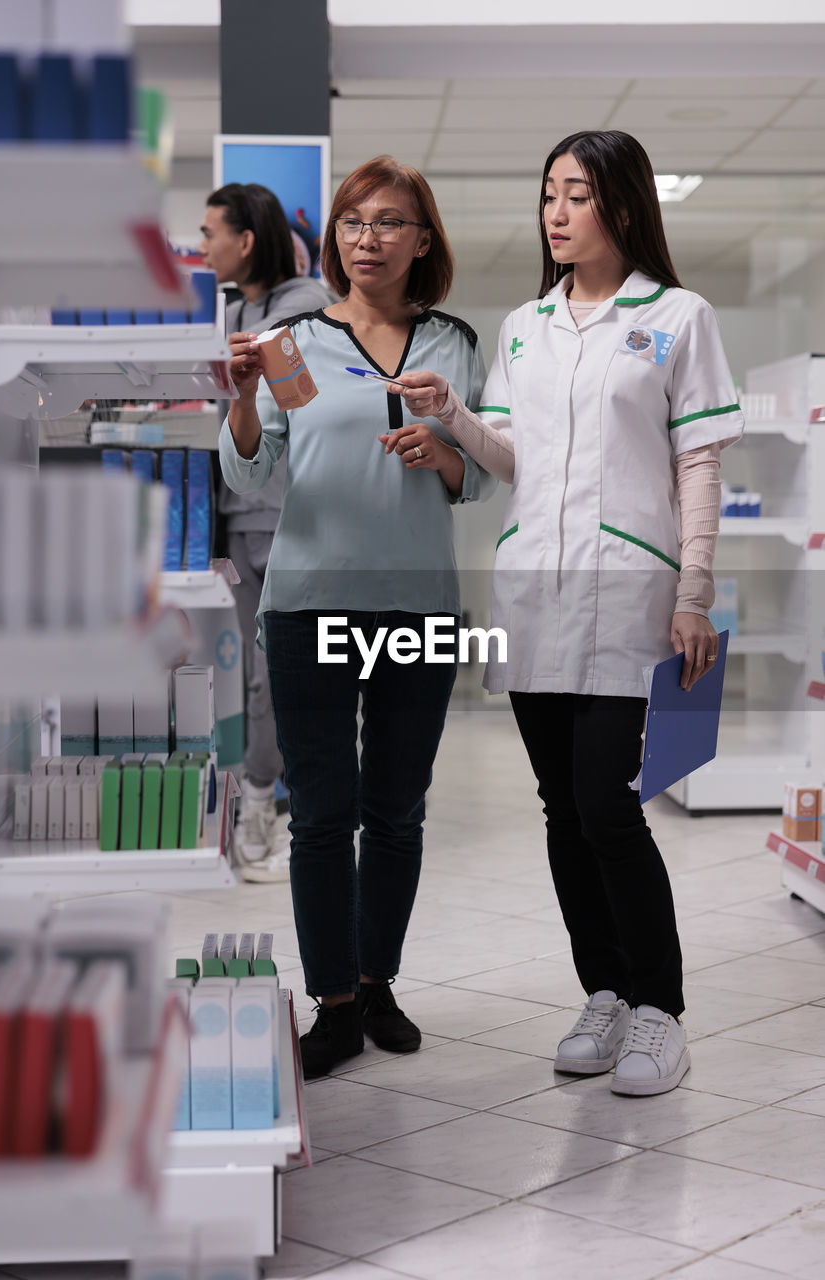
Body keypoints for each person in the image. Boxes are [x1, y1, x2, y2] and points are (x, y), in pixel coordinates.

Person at [391, 130, 744, 1097]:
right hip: (533, 592)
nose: (554, 211)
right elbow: (513, 457)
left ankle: (660, 1011)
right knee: (559, 812)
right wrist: (452, 416)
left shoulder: (677, 316)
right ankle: (604, 992)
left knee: (605, 805)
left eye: (576, 194)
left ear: (621, 206)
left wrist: (694, 591)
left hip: (630, 593)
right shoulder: (521, 328)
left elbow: (697, 463)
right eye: (547, 193)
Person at [218, 155, 495, 1078]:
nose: (367, 239)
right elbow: (255, 474)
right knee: (323, 814)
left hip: (417, 603)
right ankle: (333, 1003)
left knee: (398, 810)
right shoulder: (294, 339)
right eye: (351, 222)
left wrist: (442, 456)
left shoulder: (453, 342)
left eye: (388, 223)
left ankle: (378, 982)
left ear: (423, 240)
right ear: (333, 238)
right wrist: (247, 400)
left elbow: (482, 474)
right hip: (308, 604)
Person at [199, 183, 333, 881]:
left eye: (211, 232)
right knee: (257, 678)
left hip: (288, 516)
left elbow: (297, 401)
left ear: (246, 240)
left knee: (281, 680)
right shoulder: (242, 308)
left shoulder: (302, 305)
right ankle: (261, 808)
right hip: (244, 510)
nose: (203, 247)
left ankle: (277, 815)